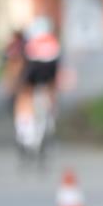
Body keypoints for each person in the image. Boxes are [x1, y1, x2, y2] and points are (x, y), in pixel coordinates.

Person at [15, 16, 61, 148]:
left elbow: (23, 59)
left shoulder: (31, 39)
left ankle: (25, 129)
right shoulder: (53, 40)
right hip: (51, 65)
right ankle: (52, 115)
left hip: (34, 65)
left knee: (25, 93)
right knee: (51, 87)